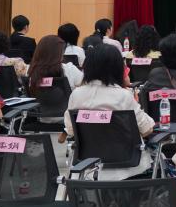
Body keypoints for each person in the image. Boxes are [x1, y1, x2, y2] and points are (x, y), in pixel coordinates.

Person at [64, 45, 155, 180]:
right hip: (127, 167)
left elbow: (71, 130)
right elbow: (147, 129)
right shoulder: (123, 96)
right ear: (117, 68)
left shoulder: (76, 95)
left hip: (88, 167)